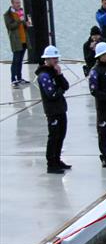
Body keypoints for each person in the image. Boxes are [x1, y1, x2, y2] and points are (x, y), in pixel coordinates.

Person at [36, 45, 71, 174]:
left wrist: (60, 74)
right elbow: (52, 94)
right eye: (53, 58)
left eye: (57, 57)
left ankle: (57, 159)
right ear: (47, 59)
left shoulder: (54, 72)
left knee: (61, 135)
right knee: (54, 137)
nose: (56, 60)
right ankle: (51, 163)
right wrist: (61, 90)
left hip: (61, 109)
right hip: (52, 111)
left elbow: (66, 85)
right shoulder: (44, 75)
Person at [4, 0, 32, 88]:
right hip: (16, 41)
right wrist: (19, 21)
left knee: (20, 60)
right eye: (16, 3)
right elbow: (10, 27)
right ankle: (13, 79)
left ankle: (19, 78)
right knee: (15, 61)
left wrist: (26, 24)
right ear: (12, 4)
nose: (18, 4)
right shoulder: (7, 14)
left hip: (24, 40)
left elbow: (23, 25)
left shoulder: (21, 12)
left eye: (19, 3)